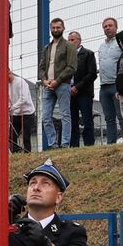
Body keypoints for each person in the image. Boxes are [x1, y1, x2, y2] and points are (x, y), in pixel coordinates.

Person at [38, 19, 77, 149]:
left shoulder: (69, 46)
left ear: (63, 28)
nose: (55, 30)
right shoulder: (47, 48)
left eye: (58, 27)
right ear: (50, 29)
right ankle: (53, 144)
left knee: (65, 114)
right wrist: (44, 80)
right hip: (47, 86)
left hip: (63, 84)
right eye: (53, 27)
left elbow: (71, 67)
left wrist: (57, 81)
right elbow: (41, 67)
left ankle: (65, 144)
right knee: (45, 116)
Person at [96, 16, 123, 144]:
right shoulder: (101, 47)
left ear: (116, 27)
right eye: (105, 26)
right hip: (104, 86)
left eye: (110, 25)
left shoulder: (120, 43)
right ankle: (111, 143)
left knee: (121, 115)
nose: (107, 28)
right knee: (109, 118)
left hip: (117, 85)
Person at [67, 32, 97, 147]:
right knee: (72, 121)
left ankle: (89, 144)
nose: (70, 42)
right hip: (70, 93)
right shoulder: (66, 57)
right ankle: (74, 145)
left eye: (72, 40)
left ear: (79, 41)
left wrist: (77, 86)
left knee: (87, 120)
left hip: (84, 93)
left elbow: (92, 74)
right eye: (68, 40)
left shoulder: (88, 54)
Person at [7, 71, 36, 152]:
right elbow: (8, 98)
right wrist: (9, 107)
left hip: (27, 113)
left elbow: (24, 98)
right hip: (15, 114)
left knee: (26, 137)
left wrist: (12, 107)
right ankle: (15, 152)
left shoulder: (20, 82)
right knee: (12, 136)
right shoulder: (6, 85)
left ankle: (27, 153)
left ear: (10, 73)